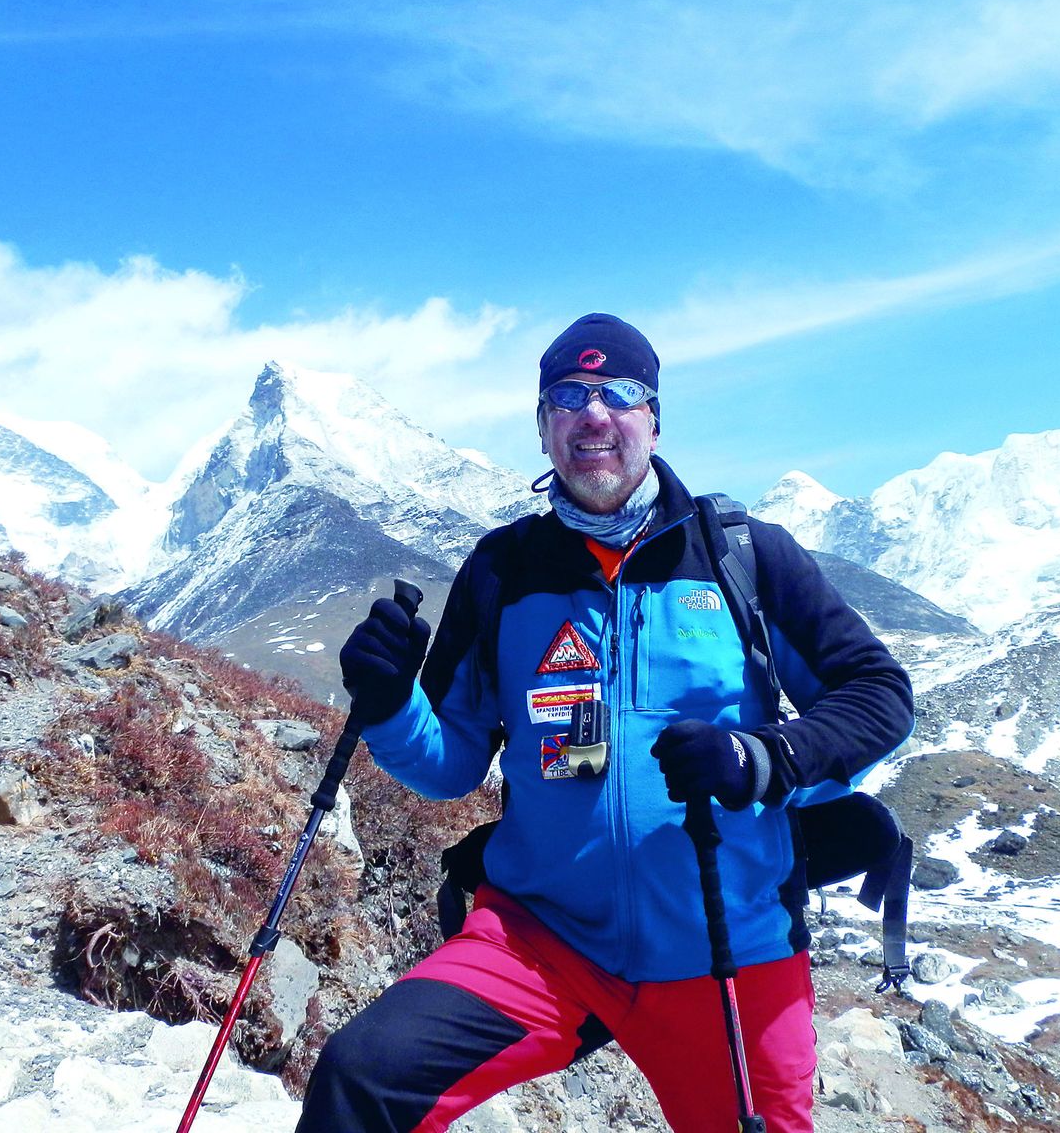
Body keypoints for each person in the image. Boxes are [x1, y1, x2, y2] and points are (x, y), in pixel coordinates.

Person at [297, 313, 913, 1132]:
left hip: (728, 951)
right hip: (542, 941)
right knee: (361, 1080)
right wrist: (387, 701)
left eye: (619, 394)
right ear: (543, 426)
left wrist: (760, 758)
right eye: (568, 396)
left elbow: (879, 694)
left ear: (654, 419)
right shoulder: (504, 570)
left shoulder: (743, 557)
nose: (594, 414)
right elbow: (448, 765)